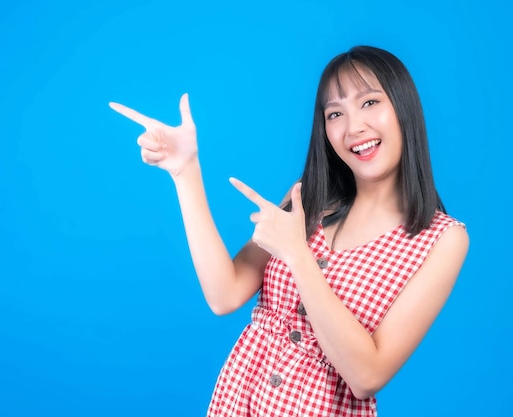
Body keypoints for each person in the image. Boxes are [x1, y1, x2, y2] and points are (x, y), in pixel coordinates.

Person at [109, 45, 469, 416]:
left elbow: (367, 376)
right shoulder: (308, 197)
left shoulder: (442, 239)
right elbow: (225, 294)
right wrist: (185, 170)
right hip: (239, 403)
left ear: (404, 108)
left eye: (369, 103)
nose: (353, 126)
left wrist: (298, 254)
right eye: (335, 113)